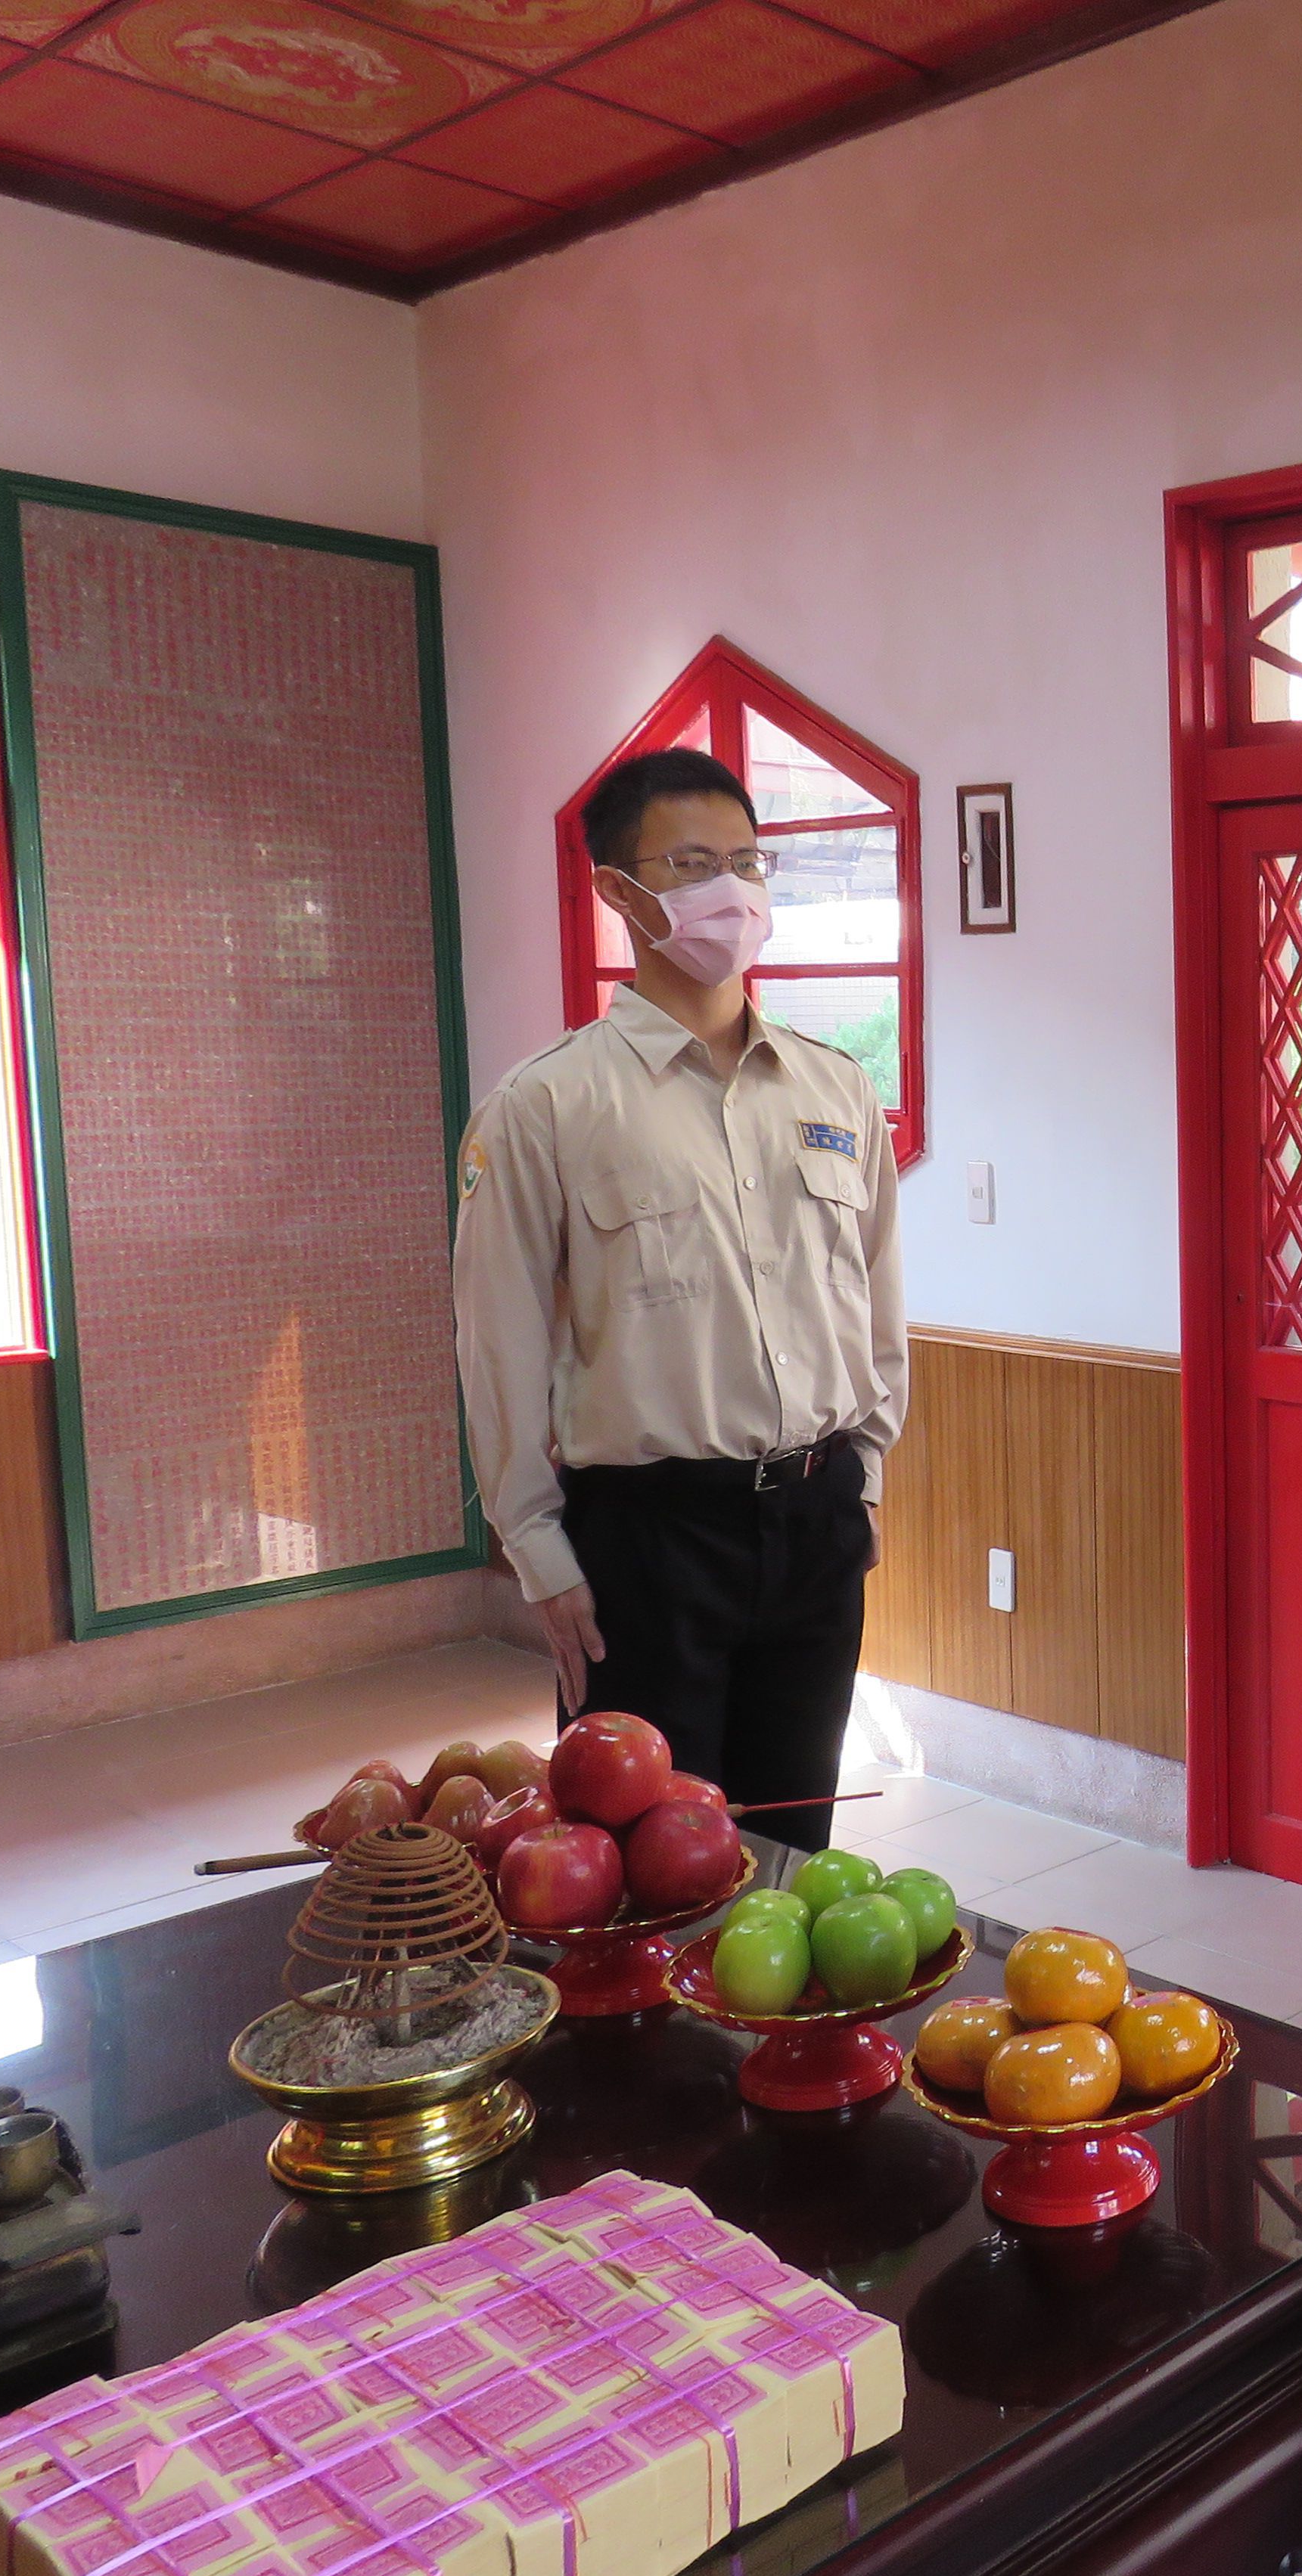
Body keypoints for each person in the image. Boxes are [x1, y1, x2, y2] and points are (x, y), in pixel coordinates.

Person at [454, 747, 904, 1854]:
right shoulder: (546, 1106)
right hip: (649, 1541)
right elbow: (497, 1341)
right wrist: (537, 1549)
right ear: (619, 892)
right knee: (647, 1866)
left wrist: (868, 1477)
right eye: (696, 864)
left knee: (796, 1846)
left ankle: (779, 2039)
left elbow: (876, 1299)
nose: (733, 893)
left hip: (815, 1518)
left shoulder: (835, 1087)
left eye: (748, 862)